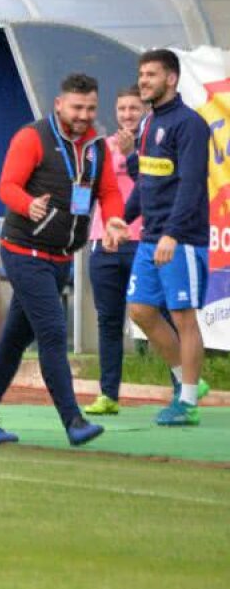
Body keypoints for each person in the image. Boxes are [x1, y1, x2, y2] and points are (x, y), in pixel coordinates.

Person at [0, 74, 127, 447]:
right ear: (58, 104)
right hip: (25, 253)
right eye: (77, 107)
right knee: (53, 332)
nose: (84, 115)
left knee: (12, 343)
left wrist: (115, 218)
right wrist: (27, 204)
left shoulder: (97, 147)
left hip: (60, 258)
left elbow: (109, 192)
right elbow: (6, 186)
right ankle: (73, 421)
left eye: (90, 108)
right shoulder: (32, 138)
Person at [126, 50, 212, 426]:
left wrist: (173, 234)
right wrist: (121, 218)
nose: (144, 80)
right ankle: (185, 380)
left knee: (183, 317)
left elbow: (192, 185)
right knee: (141, 311)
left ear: (171, 79)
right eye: (142, 74)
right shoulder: (147, 123)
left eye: (151, 74)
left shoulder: (189, 124)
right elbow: (146, 179)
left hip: (181, 239)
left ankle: (189, 401)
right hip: (150, 236)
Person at [83, 87, 148, 416]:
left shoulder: (155, 148)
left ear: (144, 110)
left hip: (142, 242)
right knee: (109, 321)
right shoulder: (101, 150)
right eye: (122, 108)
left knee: (155, 316)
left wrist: (134, 154)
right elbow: (85, 192)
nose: (127, 114)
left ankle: (185, 385)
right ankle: (108, 395)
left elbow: (154, 190)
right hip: (104, 244)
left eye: (134, 108)